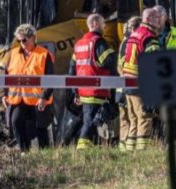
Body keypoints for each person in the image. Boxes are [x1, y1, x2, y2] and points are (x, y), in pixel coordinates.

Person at [3, 24, 55, 151]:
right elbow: (6, 77)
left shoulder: (44, 54)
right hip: (18, 99)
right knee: (16, 121)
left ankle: (45, 156)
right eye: (19, 40)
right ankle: (24, 151)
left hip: (39, 100)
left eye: (24, 40)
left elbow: (51, 80)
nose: (21, 43)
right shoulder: (12, 54)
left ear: (33, 38)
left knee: (41, 128)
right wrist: (4, 94)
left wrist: (44, 97)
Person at [69, 14, 117, 149]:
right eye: (103, 23)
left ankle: (90, 148)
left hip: (83, 91)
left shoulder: (79, 44)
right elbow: (110, 61)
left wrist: (75, 92)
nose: (105, 26)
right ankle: (82, 148)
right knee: (91, 122)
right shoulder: (98, 42)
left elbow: (72, 70)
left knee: (91, 120)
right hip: (97, 90)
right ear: (95, 23)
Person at [120, 8, 162, 150]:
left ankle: (130, 149)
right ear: (150, 19)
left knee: (133, 119)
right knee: (145, 117)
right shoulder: (149, 37)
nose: (160, 21)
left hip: (128, 83)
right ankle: (143, 151)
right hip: (140, 83)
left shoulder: (134, 34)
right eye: (157, 18)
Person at [117, 16, 141, 151]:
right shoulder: (131, 42)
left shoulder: (124, 42)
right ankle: (129, 147)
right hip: (128, 86)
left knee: (125, 119)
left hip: (122, 87)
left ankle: (124, 147)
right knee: (132, 117)